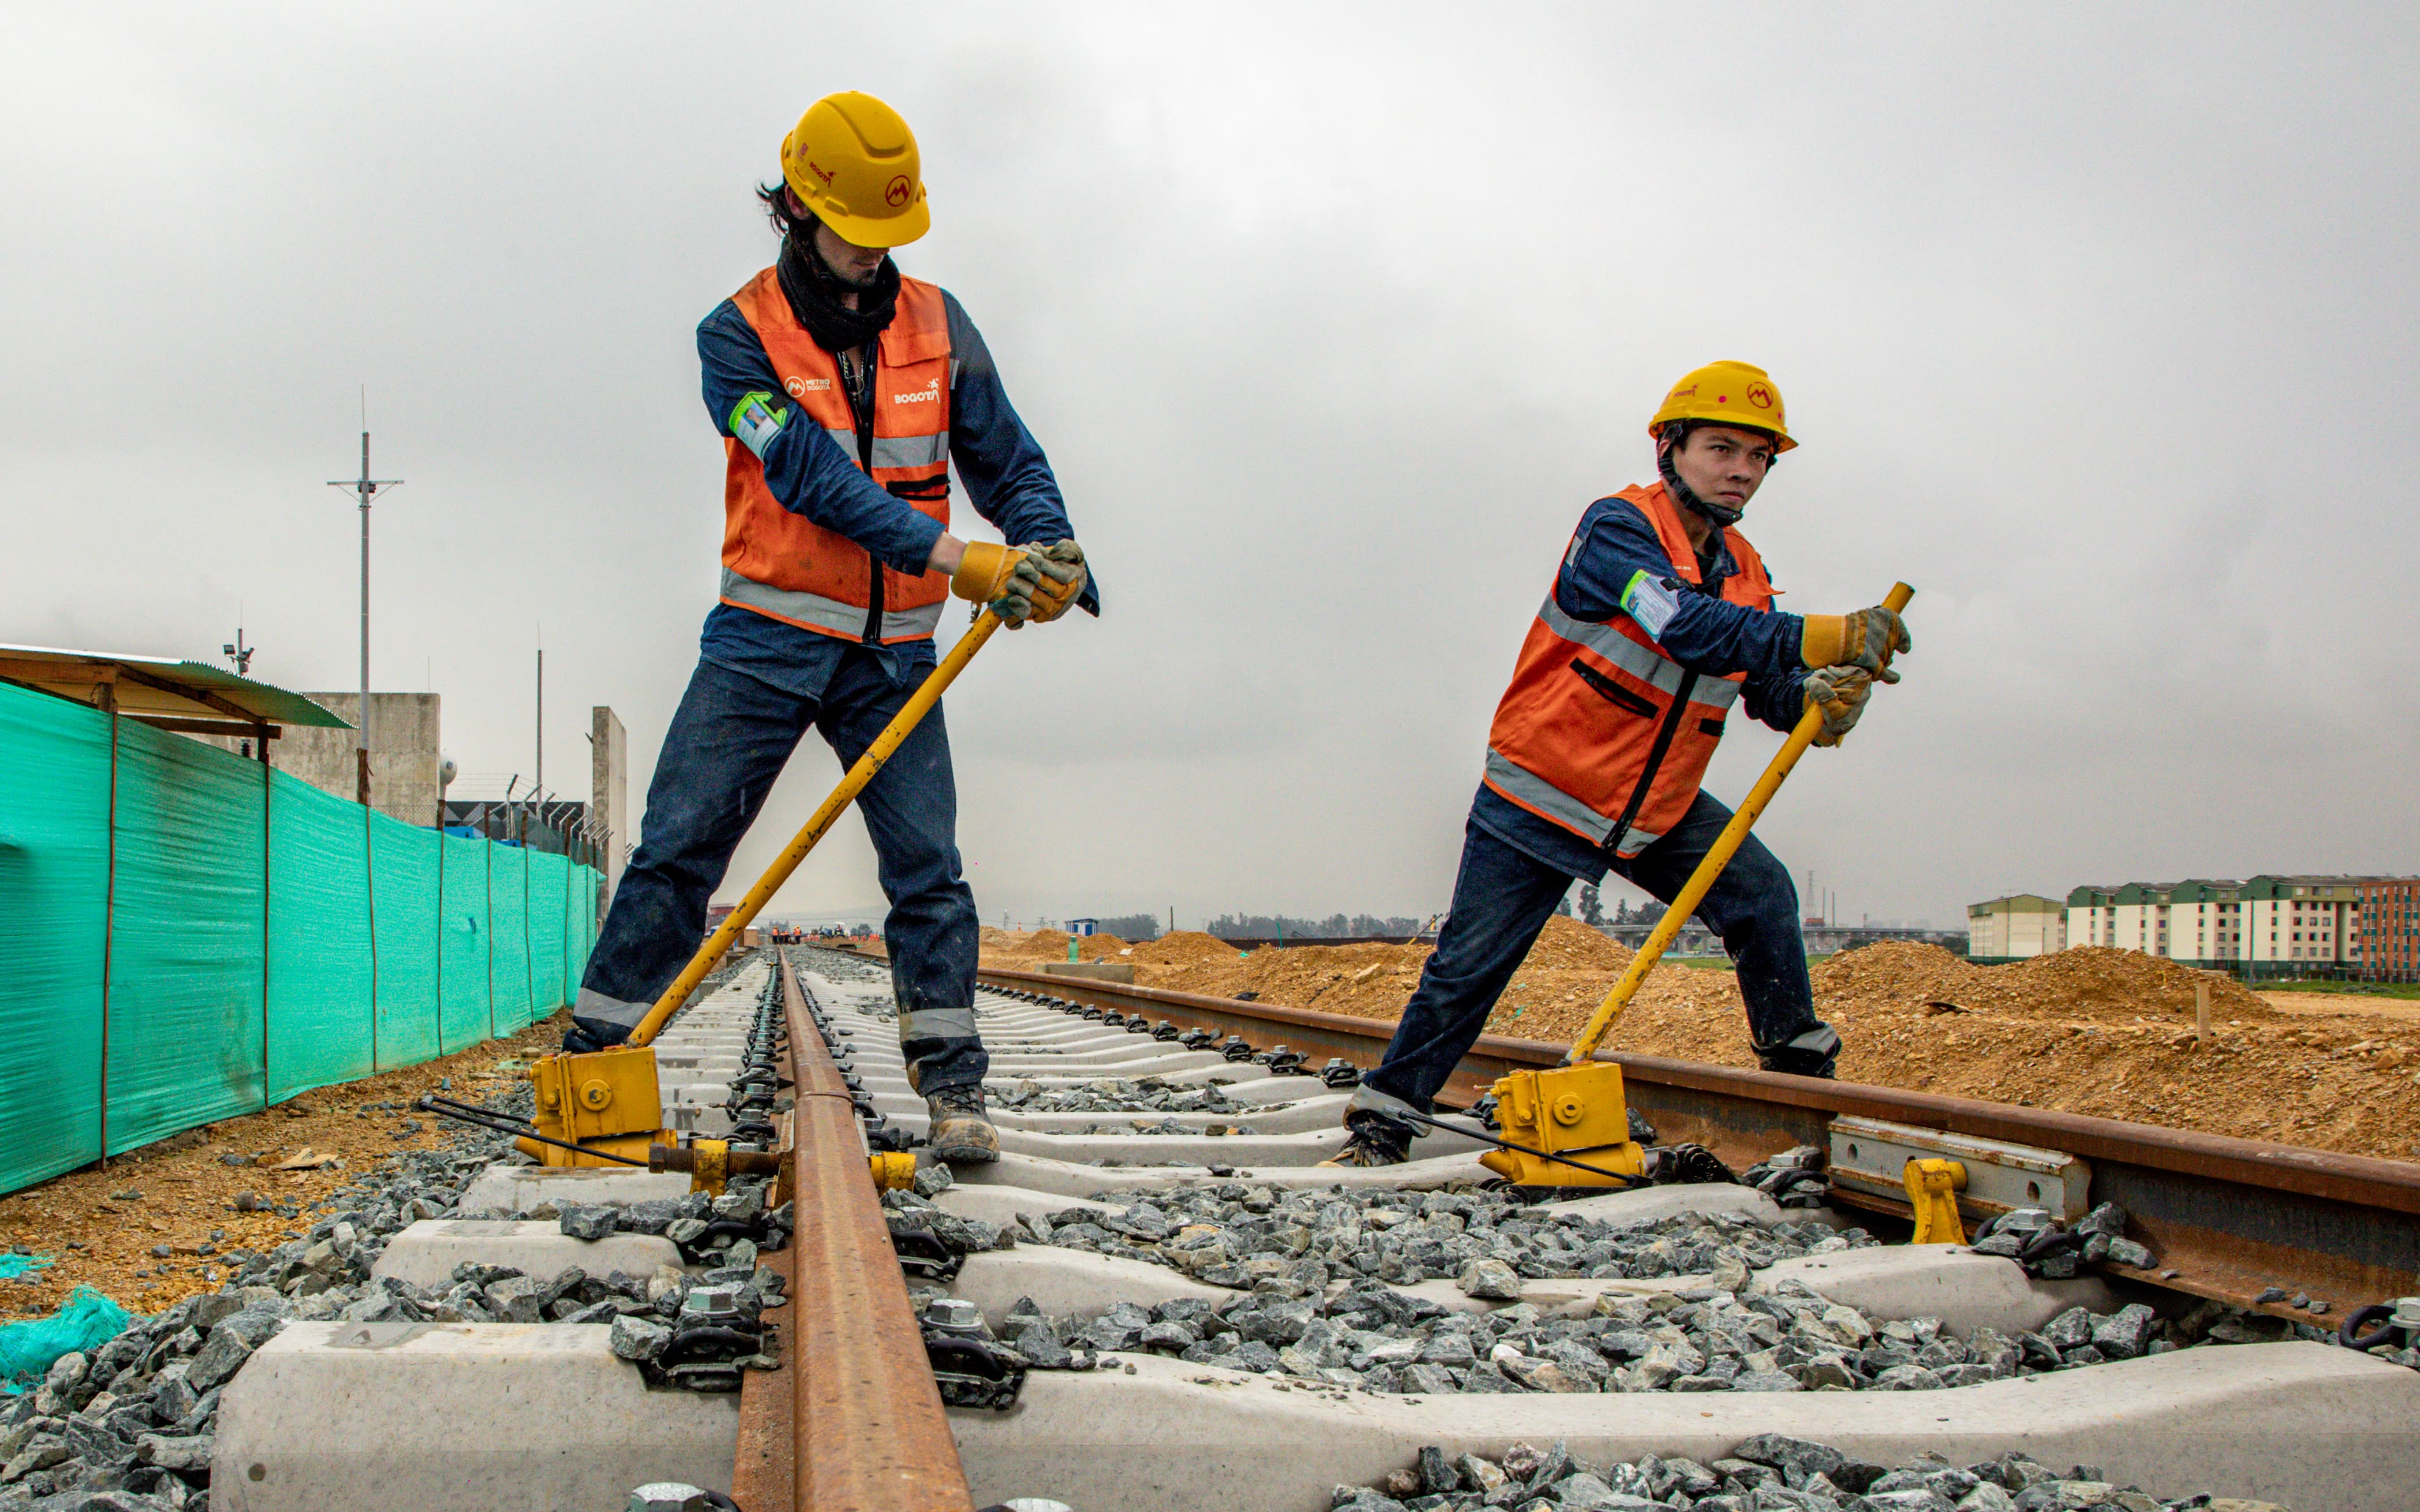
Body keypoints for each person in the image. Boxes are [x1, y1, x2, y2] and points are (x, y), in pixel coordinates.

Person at [565, 91, 1096, 1164]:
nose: (878, 258)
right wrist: (965, 561)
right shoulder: (736, 336)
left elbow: (1008, 460)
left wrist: (1051, 547)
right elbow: (807, 477)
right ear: (799, 211)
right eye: (862, 236)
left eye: (894, 237)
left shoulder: (941, 324)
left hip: (894, 650)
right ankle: (589, 1073)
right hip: (763, 640)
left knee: (928, 869)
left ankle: (955, 1093)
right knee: (677, 854)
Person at [1321, 362, 1908, 1167]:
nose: (1741, 470)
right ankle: (1387, 1116)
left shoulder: (1747, 570)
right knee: (1471, 966)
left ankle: (1799, 1087)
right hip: (1545, 789)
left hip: (1656, 805)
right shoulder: (1616, 531)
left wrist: (1816, 695)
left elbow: (1762, 686)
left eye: (1759, 458)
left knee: (1763, 896)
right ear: (1670, 447)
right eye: (1721, 448)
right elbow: (1686, 629)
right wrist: (1831, 637)